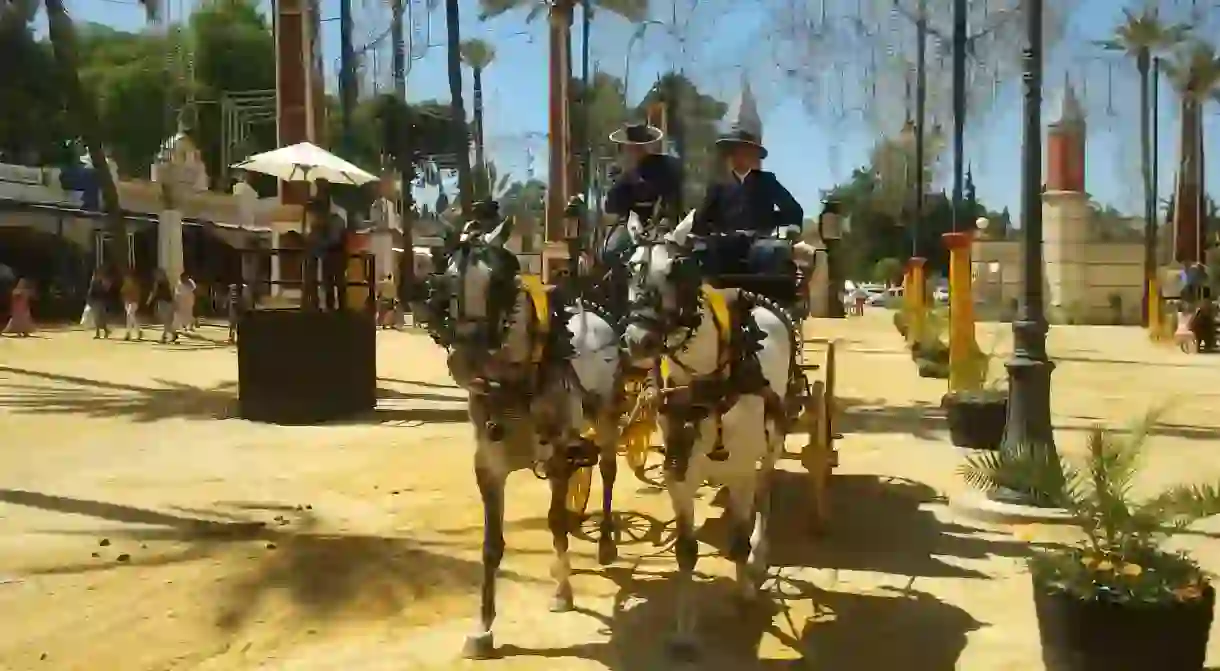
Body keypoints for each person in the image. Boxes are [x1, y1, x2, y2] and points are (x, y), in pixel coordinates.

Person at [147, 269, 176, 343]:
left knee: (165, 320)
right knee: (166, 320)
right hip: (166, 302)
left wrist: (150, 300)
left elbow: (154, 292)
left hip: (163, 302)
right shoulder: (166, 282)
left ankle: (165, 336)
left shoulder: (159, 283)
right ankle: (171, 333)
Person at [87, 270, 111, 339]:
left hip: (97, 302)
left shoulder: (96, 283)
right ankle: (104, 332)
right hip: (99, 302)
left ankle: (100, 333)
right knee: (99, 319)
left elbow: (91, 293)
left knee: (98, 319)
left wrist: (90, 301)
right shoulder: (99, 283)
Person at [120, 271, 142, 340]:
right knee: (130, 318)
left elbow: (137, 295)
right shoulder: (125, 286)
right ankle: (134, 332)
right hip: (127, 303)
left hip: (133, 303)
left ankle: (130, 333)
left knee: (130, 315)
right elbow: (122, 294)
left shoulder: (135, 286)